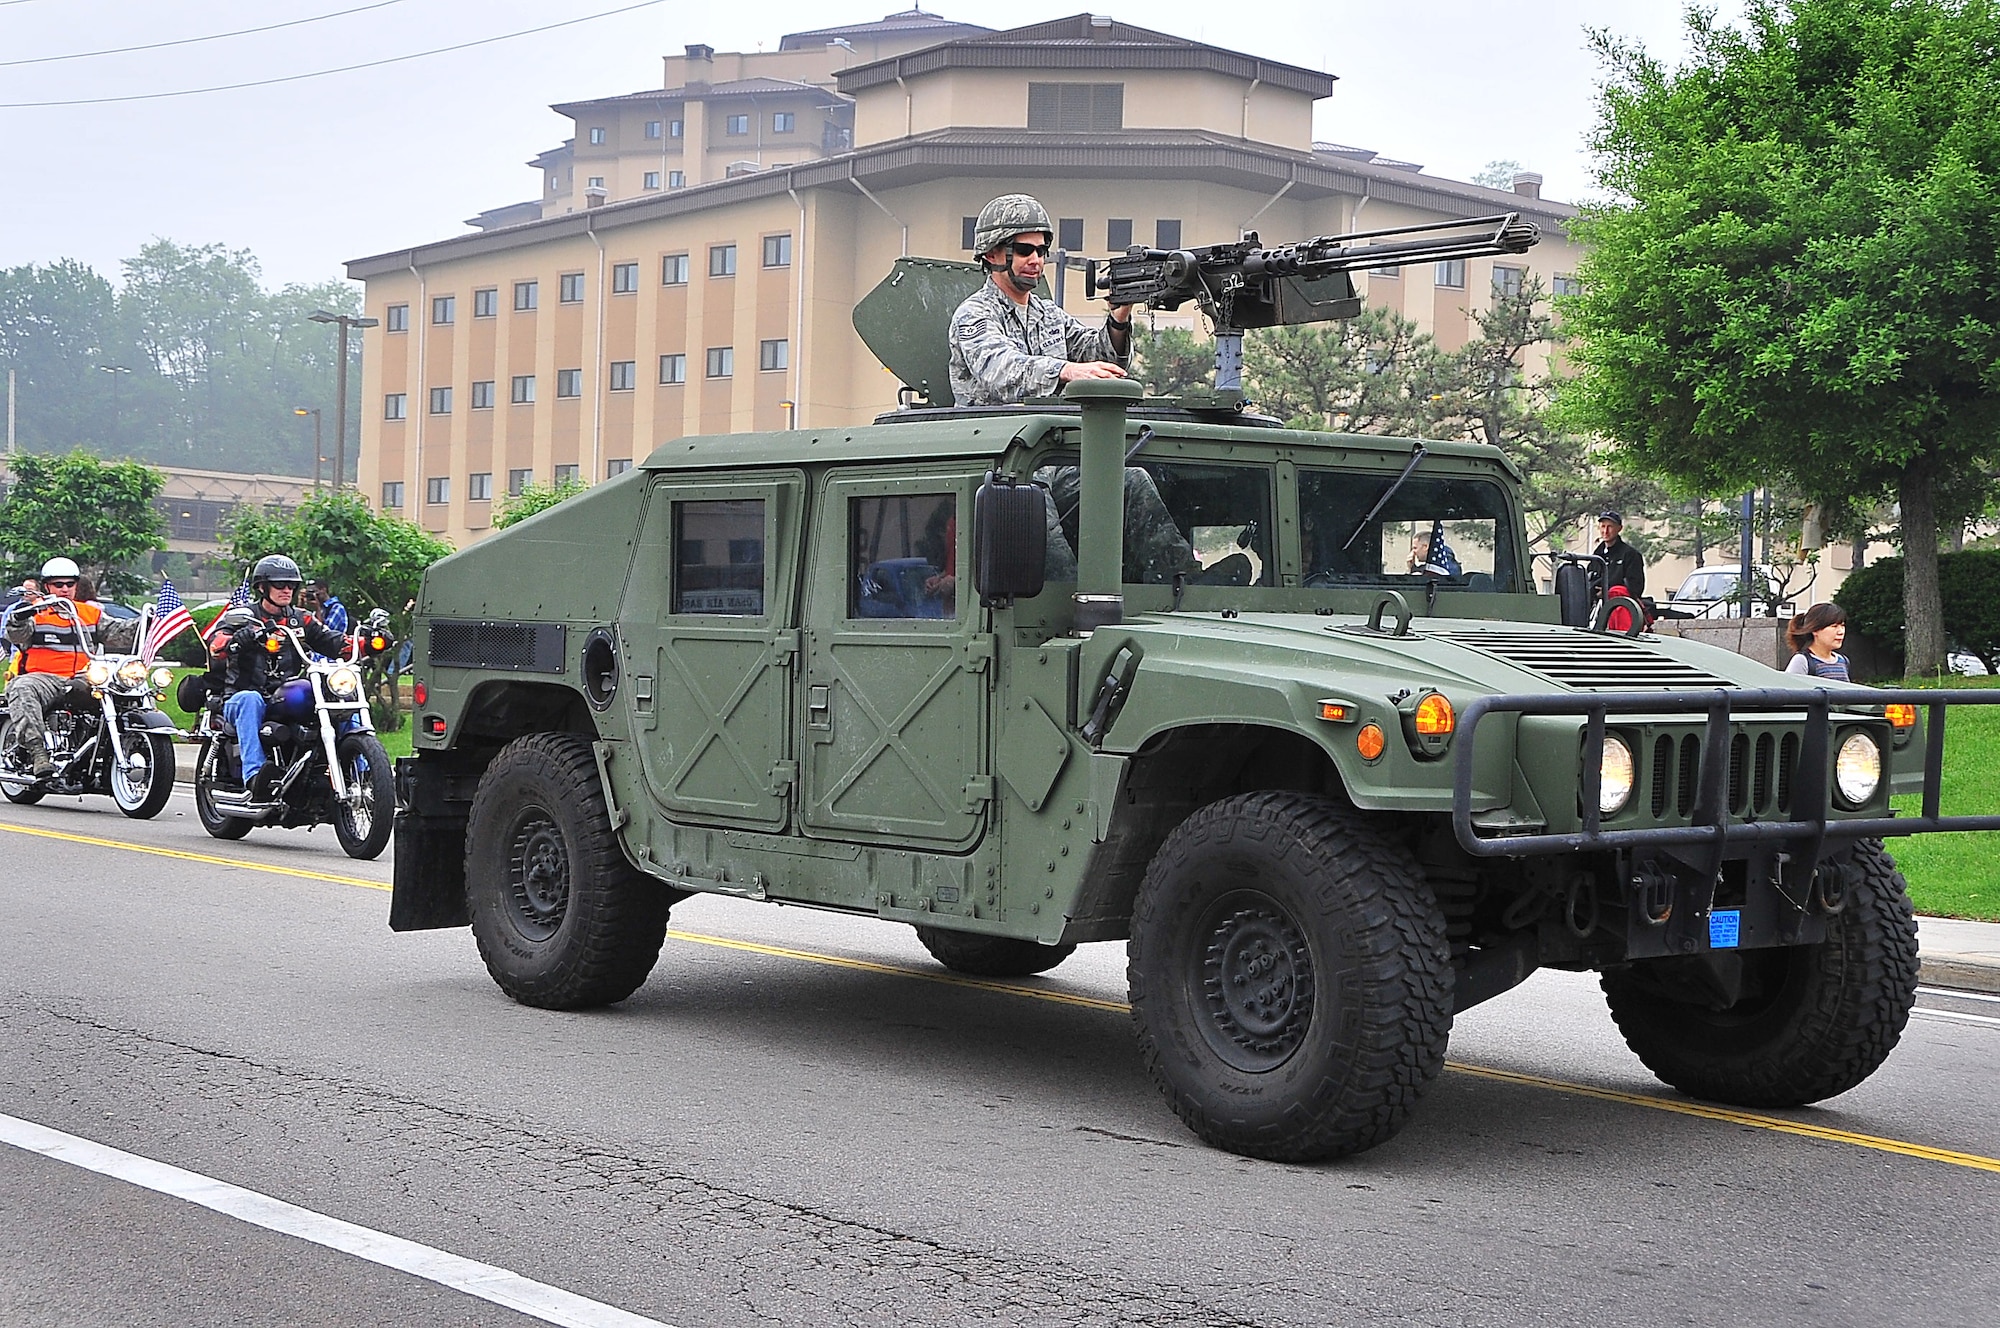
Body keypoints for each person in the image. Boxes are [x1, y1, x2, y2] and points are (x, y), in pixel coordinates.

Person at [947, 193, 1136, 407]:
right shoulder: (975, 314)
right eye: (1024, 250)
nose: (1035, 260)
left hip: (1048, 432)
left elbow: (1099, 362)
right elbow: (1001, 373)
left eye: (1041, 250)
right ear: (991, 254)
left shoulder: (1048, 314)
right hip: (989, 433)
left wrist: (1118, 321)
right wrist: (1065, 370)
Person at [219, 554, 356, 796]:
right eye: (280, 584)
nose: (287, 590)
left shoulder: (300, 619)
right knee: (250, 699)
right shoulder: (245, 616)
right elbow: (215, 645)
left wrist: (368, 642)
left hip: (283, 696)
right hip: (242, 697)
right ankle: (255, 777)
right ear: (262, 587)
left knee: (340, 701)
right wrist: (238, 638)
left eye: (291, 585)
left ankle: (359, 772)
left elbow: (332, 641)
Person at [2, 557, 138, 780]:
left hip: (84, 676)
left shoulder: (89, 613)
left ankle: (118, 745)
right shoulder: (35, 612)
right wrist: (18, 618)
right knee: (22, 687)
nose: (65, 589)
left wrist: (149, 621)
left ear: (76, 585)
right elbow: (16, 635)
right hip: (43, 678)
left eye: (69, 584)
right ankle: (38, 755)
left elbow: (119, 633)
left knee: (124, 688)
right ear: (47, 586)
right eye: (58, 584)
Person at [1785, 602, 1852, 682]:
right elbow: (1789, 690)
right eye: (1834, 626)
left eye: (1842, 626)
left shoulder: (1843, 661)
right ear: (1815, 630)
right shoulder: (1802, 660)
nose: (1841, 632)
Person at [1593, 510, 1646, 600]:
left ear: (1619, 528)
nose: (1605, 531)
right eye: (1603, 526)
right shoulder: (1596, 555)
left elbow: (1635, 588)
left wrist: (1609, 593)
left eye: (1610, 527)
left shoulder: (1631, 555)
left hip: (1619, 607)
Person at [305, 575, 349, 661]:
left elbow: (325, 636)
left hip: (333, 659)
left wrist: (317, 609)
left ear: (323, 589)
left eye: (314, 591)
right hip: (316, 659)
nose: (312, 595)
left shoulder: (337, 608)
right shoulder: (319, 610)